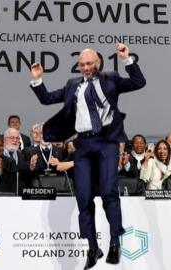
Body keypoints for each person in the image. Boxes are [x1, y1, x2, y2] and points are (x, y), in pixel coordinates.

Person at [30, 43, 146, 269]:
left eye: (89, 63)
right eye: (82, 64)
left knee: (109, 194)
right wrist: (37, 79)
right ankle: (92, 248)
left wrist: (126, 59)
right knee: (83, 197)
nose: (85, 68)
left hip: (107, 142)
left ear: (98, 63)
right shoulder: (72, 85)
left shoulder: (111, 78)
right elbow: (46, 99)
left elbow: (138, 82)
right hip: (82, 144)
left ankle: (114, 242)